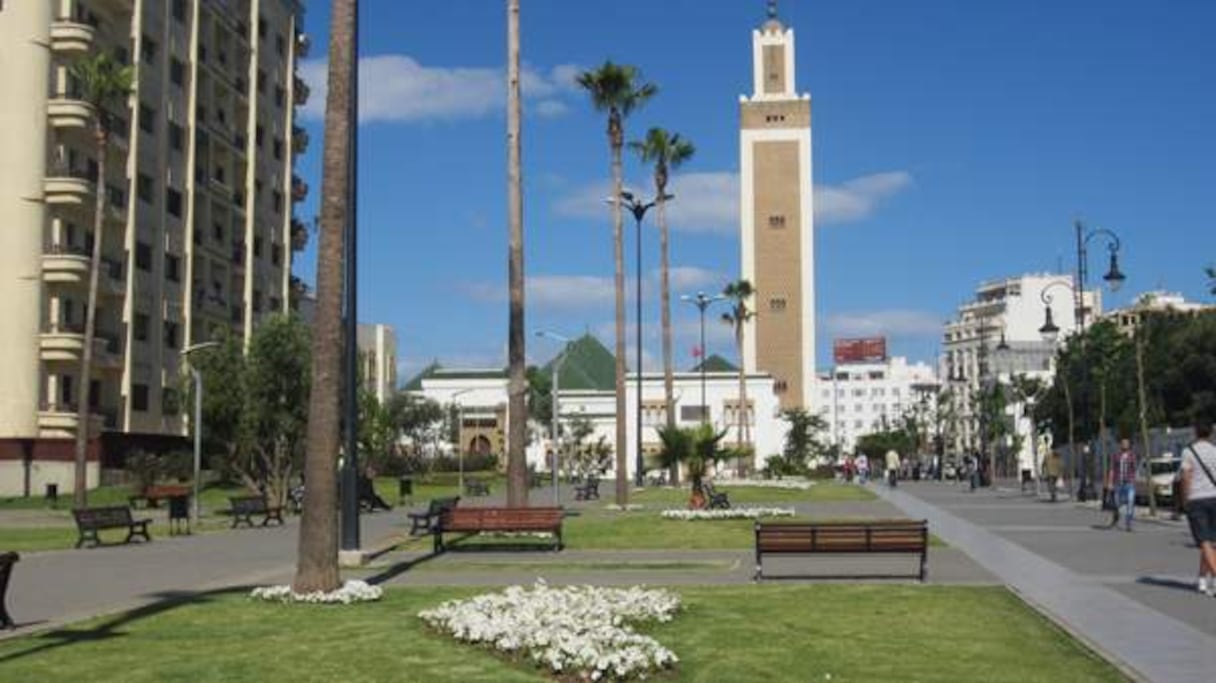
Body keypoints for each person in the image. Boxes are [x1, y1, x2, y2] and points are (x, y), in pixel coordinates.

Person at [1181, 419, 1216, 596]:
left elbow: (1186, 477)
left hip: (1197, 499)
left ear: (1195, 432)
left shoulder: (1189, 452)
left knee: (1204, 541)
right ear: (1211, 432)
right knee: (1210, 542)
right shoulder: (1214, 451)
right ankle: (1202, 579)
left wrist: (1185, 500)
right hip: (1214, 498)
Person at [1107, 438, 1137, 531]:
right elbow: (1112, 469)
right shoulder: (1116, 456)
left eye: (1126, 443)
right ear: (1120, 445)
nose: (1124, 445)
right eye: (1123, 443)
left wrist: (1135, 480)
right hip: (1118, 483)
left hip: (1129, 483)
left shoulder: (1133, 456)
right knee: (1116, 503)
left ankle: (1128, 523)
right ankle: (1116, 515)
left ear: (1129, 445)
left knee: (1130, 501)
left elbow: (1135, 469)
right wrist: (1110, 482)